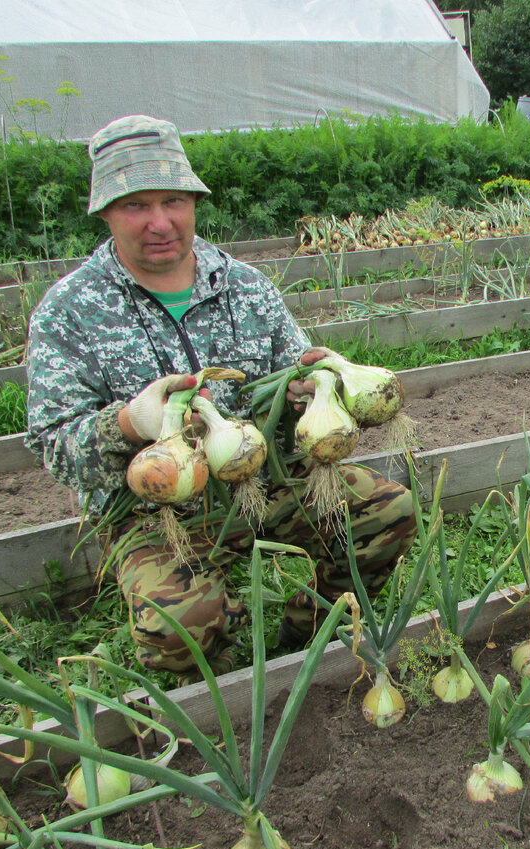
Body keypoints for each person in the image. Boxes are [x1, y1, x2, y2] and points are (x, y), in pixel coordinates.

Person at [25, 114, 416, 678]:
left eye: (173, 201)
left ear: (192, 201)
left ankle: (312, 637)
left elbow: (295, 381)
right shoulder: (71, 311)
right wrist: (129, 424)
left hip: (267, 479)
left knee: (388, 513)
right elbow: (54, 445)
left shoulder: (246, 286)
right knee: (181, 621)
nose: (159, 222)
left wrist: (309, 391)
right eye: (136, 205)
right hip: (157, 508)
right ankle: (217, 687)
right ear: (106, 211)